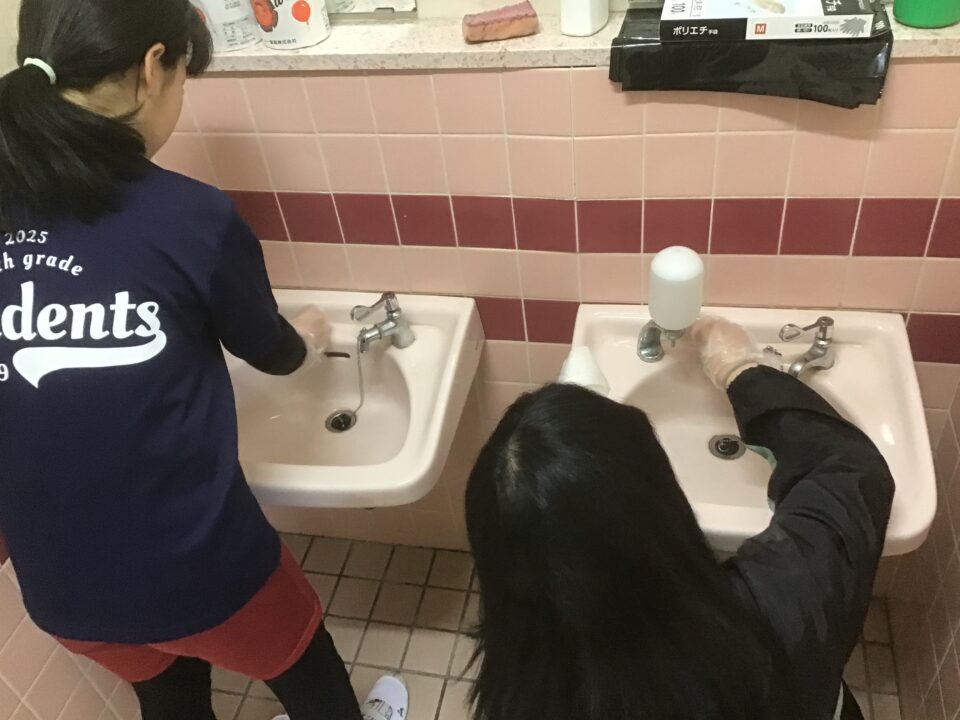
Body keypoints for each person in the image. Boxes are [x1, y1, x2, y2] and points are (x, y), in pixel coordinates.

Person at [0, 2, 407, 719]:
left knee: (168, 695)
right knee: (307, 668)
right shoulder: (189, 216)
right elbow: (273, 354)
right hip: (204, 571)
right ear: (153, 68)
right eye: (185, 80)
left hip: (61, 589)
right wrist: (303, 335)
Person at [465, 317, 895, 720]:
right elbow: (848, 470)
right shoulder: (784, 603)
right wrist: (741, 371)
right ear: (658, 502)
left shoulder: (520, 695)